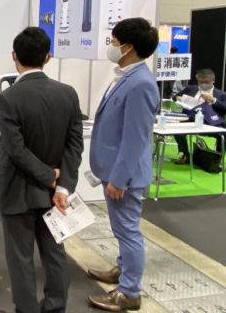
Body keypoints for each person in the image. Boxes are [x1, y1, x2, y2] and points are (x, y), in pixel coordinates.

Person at [0, 27, 84, 313]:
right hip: (53, 194)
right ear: (48, 56)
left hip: (17, 191)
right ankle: (55, 308)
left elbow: (16, 150)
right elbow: (75, 145)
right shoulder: (68, 94)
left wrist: (49, 176)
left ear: (14, 55)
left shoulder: (10, 97)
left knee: (20, 258)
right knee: (55, 253)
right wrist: (61, 185)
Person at [87, 18, 160, 311]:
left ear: (128, 47)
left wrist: (119, 178)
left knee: (128, 232)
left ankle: (129, 292)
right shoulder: (127, 76)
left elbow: (135, 138)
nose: (111, 45)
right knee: (121, 229)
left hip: (125, 176)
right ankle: (123, 269)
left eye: (114, 41)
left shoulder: (141, 84)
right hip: (114, 170)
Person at [173, 68, 226, 165]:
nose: (203, 84)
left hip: (212, 122)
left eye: (206, 82)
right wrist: (177, 98)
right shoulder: (190, 89)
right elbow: (174, 97)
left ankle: (217, 159)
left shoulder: (221, 94)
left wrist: (213, 100)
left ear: (213, 80)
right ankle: (185, 154)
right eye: (200, 82)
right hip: (191, 119)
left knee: (224, 134)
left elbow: (224, 108)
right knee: (177, 129)